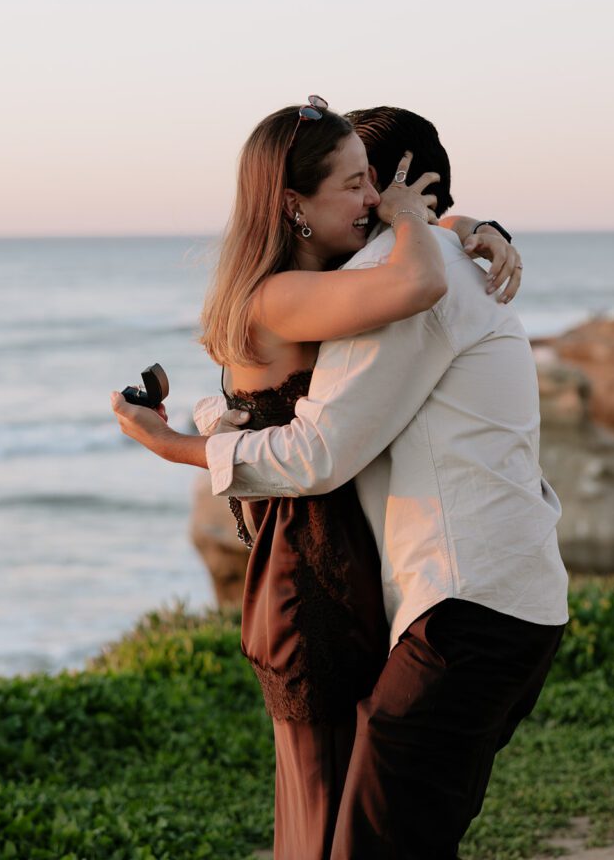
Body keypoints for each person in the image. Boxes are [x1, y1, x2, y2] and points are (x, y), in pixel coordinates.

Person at [111, 98, 522, 860]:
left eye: (375, 182)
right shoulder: (281, 296)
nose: (371, 200)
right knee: (328, 800)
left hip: (350, 561)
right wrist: (416, 219)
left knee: (359, 806)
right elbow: (415, 287)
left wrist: (459, 226)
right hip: (309, 572)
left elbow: (401, 268)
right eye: (354, 185)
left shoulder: (319, 281)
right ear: (292, 204)